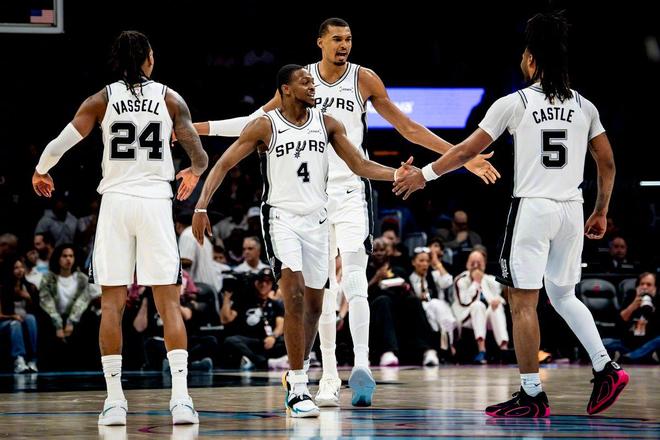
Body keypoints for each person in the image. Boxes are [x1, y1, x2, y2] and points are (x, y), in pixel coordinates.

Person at [192, 17, 500, 408]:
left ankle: (362, 365)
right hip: (313, 198)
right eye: (336, 39)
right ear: (319, 42)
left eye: (349, 39)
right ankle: (328, 376)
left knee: (354, 278)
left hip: (354, 187)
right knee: (323, 290)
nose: (344, 45)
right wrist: (196, 128)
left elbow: (407, 128)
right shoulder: (301, 82)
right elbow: (252, 124)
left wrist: (463, 157)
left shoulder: (363, 78)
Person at [394, 11, 627, 417]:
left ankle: (532, 393)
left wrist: (425, 175)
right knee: (563, 294)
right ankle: (606, 367)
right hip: (572, 210)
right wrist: (601, 211)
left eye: (523, 53)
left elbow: (465, 151)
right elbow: (606, 163)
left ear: (532, 59)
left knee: (522, 301)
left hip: (533, 208)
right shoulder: (584, 106)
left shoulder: (515, 103)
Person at [191, 64, 415, 417]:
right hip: (281, 218)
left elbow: (359, 165)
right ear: (286, 89)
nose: (313, 86)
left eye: (313, 82)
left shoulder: (327, 124)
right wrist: (202, 205)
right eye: (305, 82)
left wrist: (395, 174)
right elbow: (224, 164)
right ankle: (298, 387)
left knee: (315, 305)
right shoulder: (265, 125)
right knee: (293, 296)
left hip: (317, 220)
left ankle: (302, 370)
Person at [31, 31, 208, 425]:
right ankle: (181, 400)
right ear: (148, 58)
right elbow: (198, 155)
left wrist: (41, 169)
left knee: (111, 305)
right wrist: (193, 172)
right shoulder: (170, 98)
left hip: (115, 203)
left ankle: (114, 402)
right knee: (168, 303)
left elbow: (63, 140)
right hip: (155, 203)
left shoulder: (102, 98)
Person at [452, 250, 509, 363]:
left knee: (496, 308)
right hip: (466, 317)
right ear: (467, 264)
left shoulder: (489, 279)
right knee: (478, 306)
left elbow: (499, 296)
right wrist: (476, 283)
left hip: (484, 317)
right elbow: (465, 302)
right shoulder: (460, 280)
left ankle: (504, 348)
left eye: (479, 263)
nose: (475, 266)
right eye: (472, 263)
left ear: (484, 265)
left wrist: (498, 300)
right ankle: (481, 350)